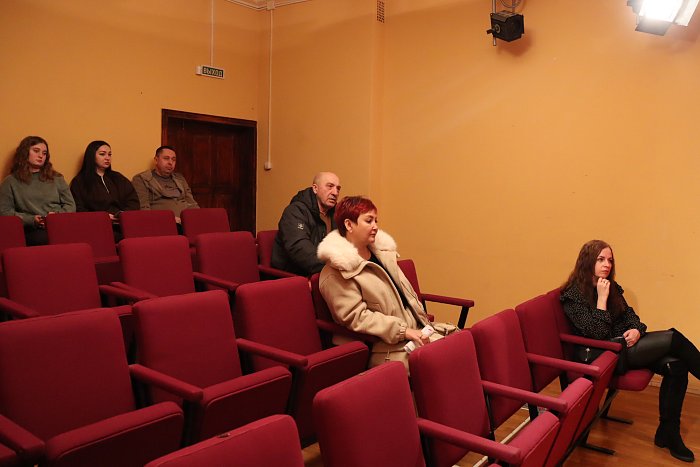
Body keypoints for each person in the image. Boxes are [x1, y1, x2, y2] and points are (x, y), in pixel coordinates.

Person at [561, 239, 700, 463]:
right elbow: (597, 334)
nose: (607, 264)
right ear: (587, 261)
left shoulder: (611, 286)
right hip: (604, 355)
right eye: (600, 259)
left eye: (610, 260)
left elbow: (631, 316)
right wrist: (602, 299)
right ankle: (669, 433)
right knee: (673, 337)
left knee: (676, 365)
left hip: (626, 346)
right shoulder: (573, 296)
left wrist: (636, 330)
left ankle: (668, 433)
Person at [317, 196, 433, 371]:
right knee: (442, 364)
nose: (375, 226)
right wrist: (404, 331)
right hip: (384, 347)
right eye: (369, 220)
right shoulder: (335, 271)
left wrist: (422, 328)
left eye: (376, 221)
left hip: (415, 333)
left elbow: (407, 298)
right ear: (349, 225)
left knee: (460, 348)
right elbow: (357, 317)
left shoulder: (384, 256)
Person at [0, 136, 75, 245]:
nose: (41, 156)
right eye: (36, 151)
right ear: (25, 153)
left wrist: (56, 216)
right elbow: (5, 212)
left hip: (58, 224)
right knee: (43, 239)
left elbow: (70, 205)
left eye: (44, 153)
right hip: (32, 229)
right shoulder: (11, 181)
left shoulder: (56, 178)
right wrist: (31, 220)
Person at [271, 172, 340, 275]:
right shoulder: (295, 211)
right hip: (293, 275)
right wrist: (334, 266)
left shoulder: (336, 214)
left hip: (324, 272)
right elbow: (300, 249)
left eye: (338, 188)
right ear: (315, 189)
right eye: (330, 186)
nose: (335, 192)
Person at [70, 140, 139, 222]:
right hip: (97, 223)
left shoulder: (118, 178)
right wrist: (102, 217)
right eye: (102, 154)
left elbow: (133, 200)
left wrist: (123, 214)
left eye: (109, 154)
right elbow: (79, 208)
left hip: (123, 222)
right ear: (91, 156)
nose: (107, 158)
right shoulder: (79, 181)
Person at [131, 146, 199, 223]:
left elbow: (192, 203)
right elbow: (144, 209)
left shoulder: (180, 179)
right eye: (166, 158)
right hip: (163, 223)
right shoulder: (141, 179)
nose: (170, 162)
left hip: (188, 222)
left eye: (173, 159)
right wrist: (167, 218)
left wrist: (198, 217)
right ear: (156, 160)